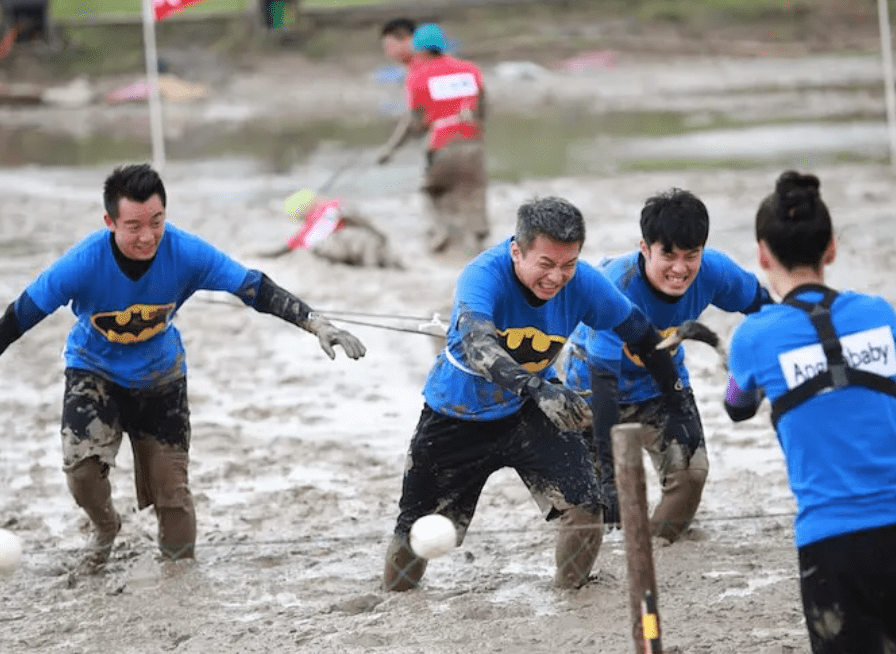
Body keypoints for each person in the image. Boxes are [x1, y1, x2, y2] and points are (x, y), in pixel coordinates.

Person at [0, 164, 366, 571]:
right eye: (133, 226)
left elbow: (253, 288)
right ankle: (106, 526)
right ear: (110, 222)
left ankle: (178, 579)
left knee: (173, 497)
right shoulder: (81, 263)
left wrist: (314, 323)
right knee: (81, 474)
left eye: (156, 222)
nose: (147, 237)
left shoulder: (186, 252)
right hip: (94, 372)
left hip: (161, 378)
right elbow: (14, 319)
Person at [724, 171, 896, 654]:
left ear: (761, 254)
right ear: (831, 249)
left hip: (840, 548)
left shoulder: (754, 335)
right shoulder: (879, 313)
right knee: (883, 652)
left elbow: (737, 407)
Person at [383, 196, 685, 592]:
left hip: (530, 409)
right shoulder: (482, 276)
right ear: (516, 251)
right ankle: (397, 601)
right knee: (417, 532)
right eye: (545, 264)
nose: (557, 277)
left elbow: (641, 334)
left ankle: (572, 597)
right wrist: (536, 386)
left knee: (585, 507)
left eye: (568, 264)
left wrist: (674, 393)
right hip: (456, 414)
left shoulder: (585, 283)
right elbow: (479, 348)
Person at [560, 188, 771, 541]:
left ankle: (655, 551)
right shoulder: (615, 286)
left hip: (663, 382)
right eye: (668, 255)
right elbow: (604, 384)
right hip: (593, 387)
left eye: (691, 255)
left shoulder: (716, 272)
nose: (680, 269)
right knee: (591, 506)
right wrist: (611, 478)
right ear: (645, 248)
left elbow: (769, 310)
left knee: (692, 475)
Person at [375, 23, 489, 262]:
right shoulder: (469, 69)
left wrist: (390, 149)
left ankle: (443, 236)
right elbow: (483, 105)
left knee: (433, 191)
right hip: (472, 141)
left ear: (419, 49)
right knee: (474, 191)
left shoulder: (418, 76)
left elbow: (414, 122)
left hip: (442, 143)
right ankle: (478, 237)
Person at [260, 189, 402, 269]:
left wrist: (259, 255)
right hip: (356, 243)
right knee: (384, 262)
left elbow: (282, 250)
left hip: (329, 252)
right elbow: (356, 219)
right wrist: (378, 233)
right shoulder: (328, 207)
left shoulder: (304, 234)